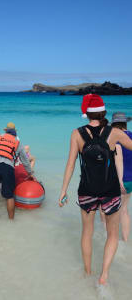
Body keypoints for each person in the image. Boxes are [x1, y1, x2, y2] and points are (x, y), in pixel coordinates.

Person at [58, 94, 132, 285]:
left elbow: (70, 164)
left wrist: (63, 190)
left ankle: (87, 272)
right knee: (113, 234)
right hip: (110, 191)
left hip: (86, 190)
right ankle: (104, 274)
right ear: (103, 112)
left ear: (86, 113)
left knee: (86, 233)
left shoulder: (77, 133)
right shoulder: (114, 132)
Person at [111, 112, 132, 242]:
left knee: (111, 211)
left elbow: (119, 160)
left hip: (121, 180)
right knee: (124, 210)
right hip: (131, 180)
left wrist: (119, 181)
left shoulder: (116, 139)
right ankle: (125, 240)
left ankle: (110, 240)